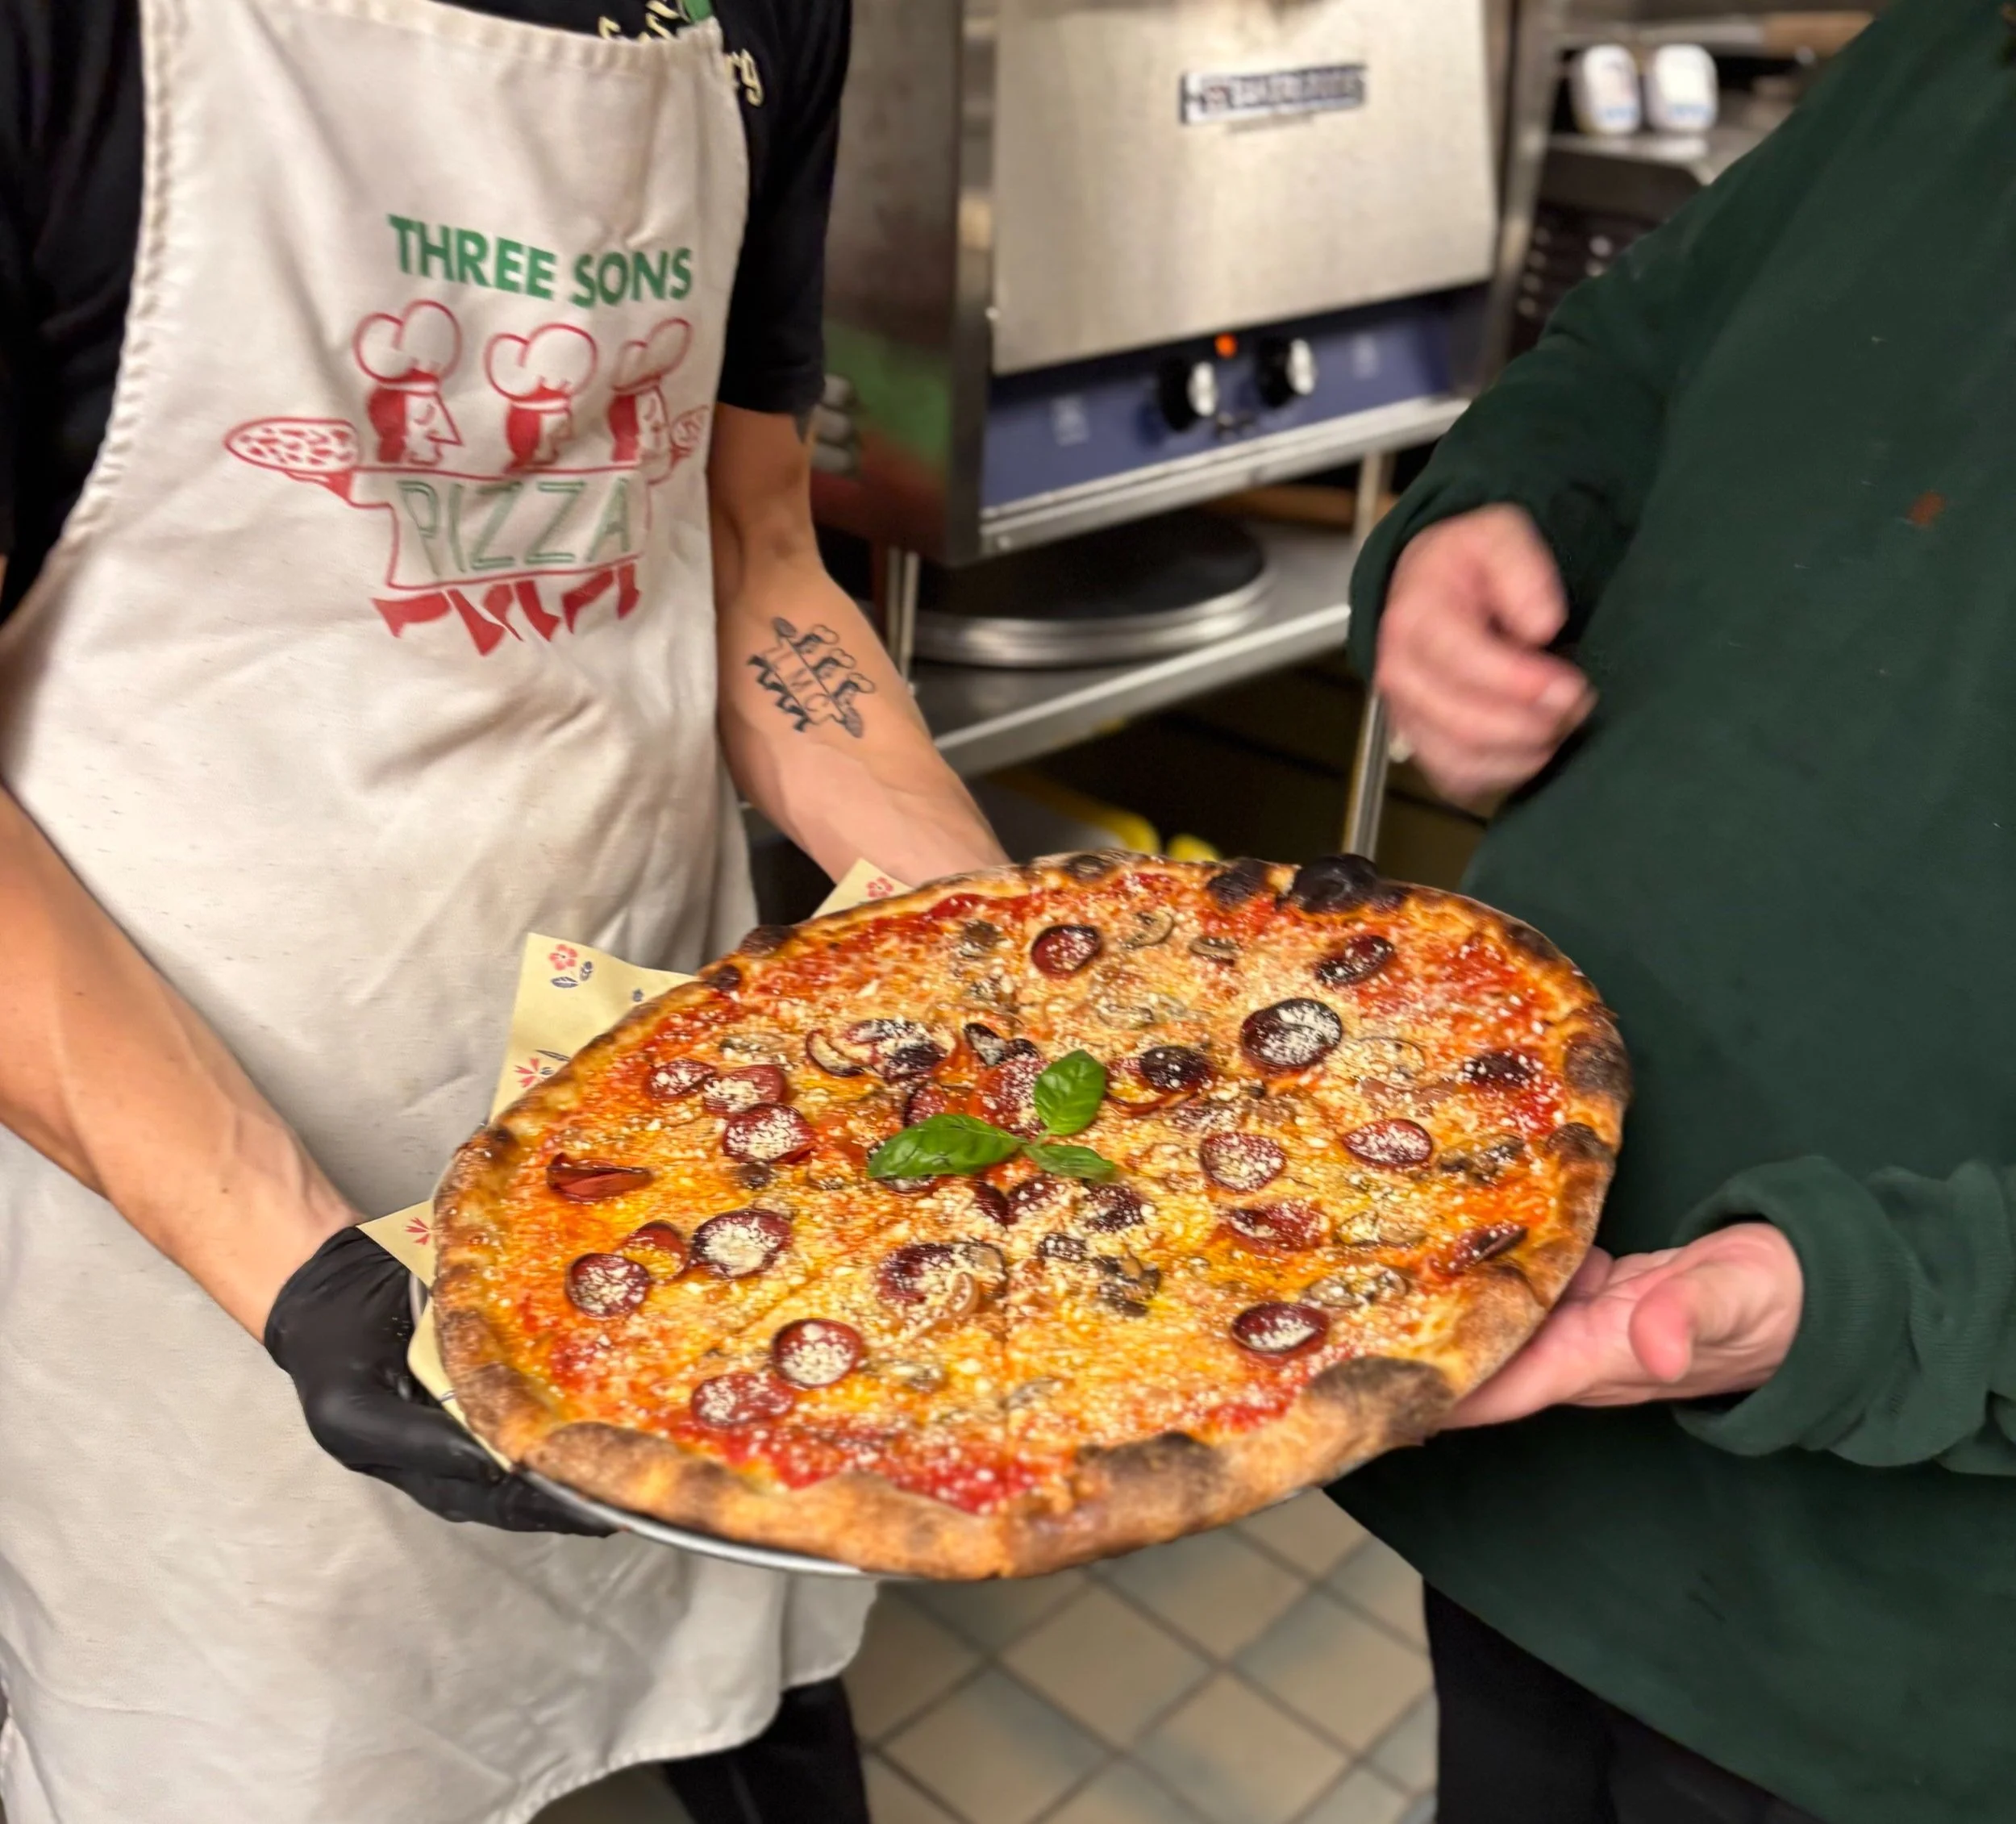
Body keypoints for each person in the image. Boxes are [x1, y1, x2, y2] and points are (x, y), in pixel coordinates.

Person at [0, 3, 1007, 1822]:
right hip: (180, 1160)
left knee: (725, 1671)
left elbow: (752, 545)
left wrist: (990, 945)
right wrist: (301, 1273)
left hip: (661, 1089)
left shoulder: (767, 16)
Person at [1335, 2, 2016, 1820]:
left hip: (1892, 1646)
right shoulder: (1950, 47)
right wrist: (1492, 515)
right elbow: (1626, 359)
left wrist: (1867, 1305)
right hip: (1511, 1400)